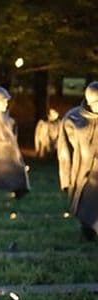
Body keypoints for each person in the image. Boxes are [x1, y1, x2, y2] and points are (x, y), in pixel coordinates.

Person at [57, 81, 98, 240]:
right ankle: (87, 233)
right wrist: (65, 180)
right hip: (83, 173)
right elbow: (64, 152)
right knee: (85, 206)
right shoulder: (73, 118)